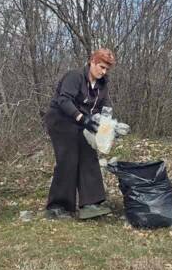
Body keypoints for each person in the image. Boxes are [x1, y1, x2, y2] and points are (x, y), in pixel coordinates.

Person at [44, 48, 117, 220]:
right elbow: (63, 100)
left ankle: (91, 203)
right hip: (61, 120)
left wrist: (109, 127)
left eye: (107, 69)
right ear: (92, 62)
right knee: (68, 159)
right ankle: (58, 206)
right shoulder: (75, 76)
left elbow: (105, 108)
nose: (103, 72)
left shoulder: (102, 85)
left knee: (89, 155)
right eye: (101, 67)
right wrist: (82, 118)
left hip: (82, 122)